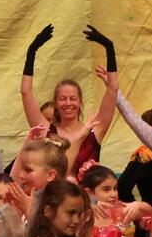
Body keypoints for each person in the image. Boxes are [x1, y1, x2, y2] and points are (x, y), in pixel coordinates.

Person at [20, 25, 119, 175]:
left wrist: (109, 48)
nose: (68, 104)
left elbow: (113, 88)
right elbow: (25, 92)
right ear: (56, 103)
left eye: (72, 99)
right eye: (62, 99)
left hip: (86, 197)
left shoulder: (94, 130)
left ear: (80, 102)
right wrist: (31, 51)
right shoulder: (46, 131)